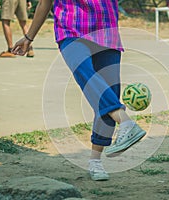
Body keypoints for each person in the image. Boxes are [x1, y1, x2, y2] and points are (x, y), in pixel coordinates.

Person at [12, 0, 146, 181]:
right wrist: (29, 38)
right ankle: (126, 122)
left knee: (109, 92)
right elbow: (45, 3)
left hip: (106, 30)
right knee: (86, 74)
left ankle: (95, 161)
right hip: (71, 29)